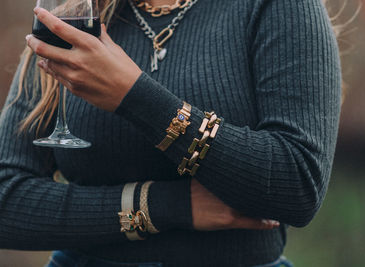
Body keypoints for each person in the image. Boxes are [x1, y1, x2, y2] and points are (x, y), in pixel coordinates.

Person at [0, 0, 341, 266]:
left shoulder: (277, 8)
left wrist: (134, 96)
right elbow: (6, 198)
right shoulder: (76, 14)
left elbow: (297, 184)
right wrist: (167, 207)